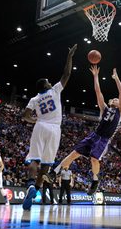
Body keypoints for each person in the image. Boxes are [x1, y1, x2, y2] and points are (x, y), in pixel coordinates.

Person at [51, 65, 121, 195]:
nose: (116, 99)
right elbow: (98, 92)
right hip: (94, 135)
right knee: (74, 153)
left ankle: (95, 180)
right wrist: (96, 76)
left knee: (94, 159)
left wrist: (116, 78)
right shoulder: (105, 109)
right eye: (113, 99)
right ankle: (54, 172)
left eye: (117, 99)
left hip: (104, 140)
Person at [22, 44, 77, 210]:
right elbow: (67, 73)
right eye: (48, 81)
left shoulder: (34, 99)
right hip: (54, 129)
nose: (50, 82)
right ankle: (36, 189)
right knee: (46, 164)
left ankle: (31, 185)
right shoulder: (54, 91)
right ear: (45, 85)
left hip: (40, 126)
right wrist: (69, 56)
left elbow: (25, 116)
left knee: (34, 159)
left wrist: (36, 121)